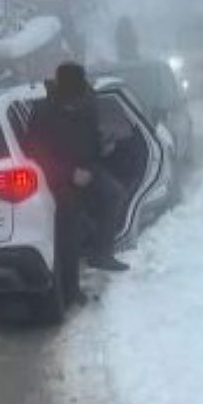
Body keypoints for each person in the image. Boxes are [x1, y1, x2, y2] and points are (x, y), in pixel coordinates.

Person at [29, 63, 131, 286]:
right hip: (56, 178)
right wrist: (69, 174)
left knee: (113, 193)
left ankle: (101, 253)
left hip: (87, 168)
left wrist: (100, 151)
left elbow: (91, 139)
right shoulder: (44, 112)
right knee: (70, 219)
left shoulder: (88, 104)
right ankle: (69, 285)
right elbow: (35, 154)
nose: (76, 102)